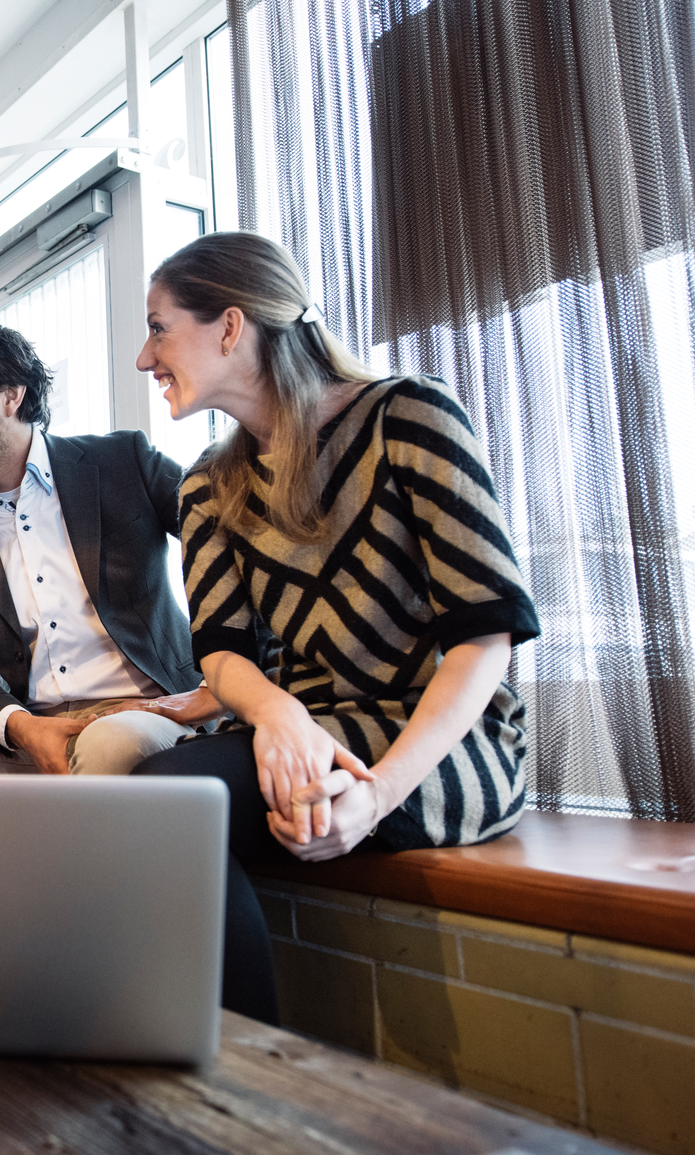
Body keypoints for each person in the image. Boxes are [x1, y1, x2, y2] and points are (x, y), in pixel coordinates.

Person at [130, 232, 540, 1024]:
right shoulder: (207, 486)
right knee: (162, 803)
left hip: (445, 740)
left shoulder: (410, 415)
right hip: (312, 732)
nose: (146, 358)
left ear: (228, 326)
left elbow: (483, 636)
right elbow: (220, 648)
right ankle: (236, 1089)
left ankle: (254, 1089)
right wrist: (278, 714)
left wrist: (380, 792)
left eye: (157, 326)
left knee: (175, 807)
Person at [0, 322, 224, 778]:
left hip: (147, 711)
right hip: (31, 728)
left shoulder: (123, 460)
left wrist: (225, 682)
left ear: (12, 396)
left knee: (108, 743)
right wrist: (21, 726)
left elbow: (234, 543)